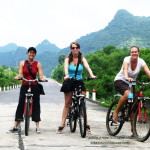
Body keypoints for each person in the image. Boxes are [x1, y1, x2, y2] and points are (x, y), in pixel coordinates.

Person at [56, 41, 96, 134]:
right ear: (71, 49)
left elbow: (87, 67)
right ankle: (62, 124)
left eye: (77, 47)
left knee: (82, 103)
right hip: (69, 81)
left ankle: (86, 124)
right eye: (73, 48)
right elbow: (66, 68)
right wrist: (66, 75)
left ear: (79, 48)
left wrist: (91, 74)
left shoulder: (82, 58)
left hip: (79, 81)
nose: (75, 49)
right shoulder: (67, 59)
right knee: (67, 103)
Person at [113, 46, 150, 135]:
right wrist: (126, 77)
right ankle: (116, 111)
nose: (134, 53)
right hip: (120, 81)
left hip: (131, 83)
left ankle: (133, 130)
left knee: (133, 105)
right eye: (132, 52)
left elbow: (148, 72)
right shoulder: (127, 59)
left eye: (136, 52)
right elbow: (125, 69)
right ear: (130, 53)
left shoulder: (141, 62)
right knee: (128, 94)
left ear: (138, 53)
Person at [9, 47, 46, 133]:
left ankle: (37, 126)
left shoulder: (38, 64)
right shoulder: (22, 63)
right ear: (27, 53)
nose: (31, 54)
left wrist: (42, 78)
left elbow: (40, 75)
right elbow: (20, 74)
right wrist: (18, 77)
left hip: (34, 85)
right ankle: (15, 125)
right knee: (21, 103)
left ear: (35, 54)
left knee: (36, 103)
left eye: (33, 53)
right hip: (25, 84)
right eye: (30, 52)